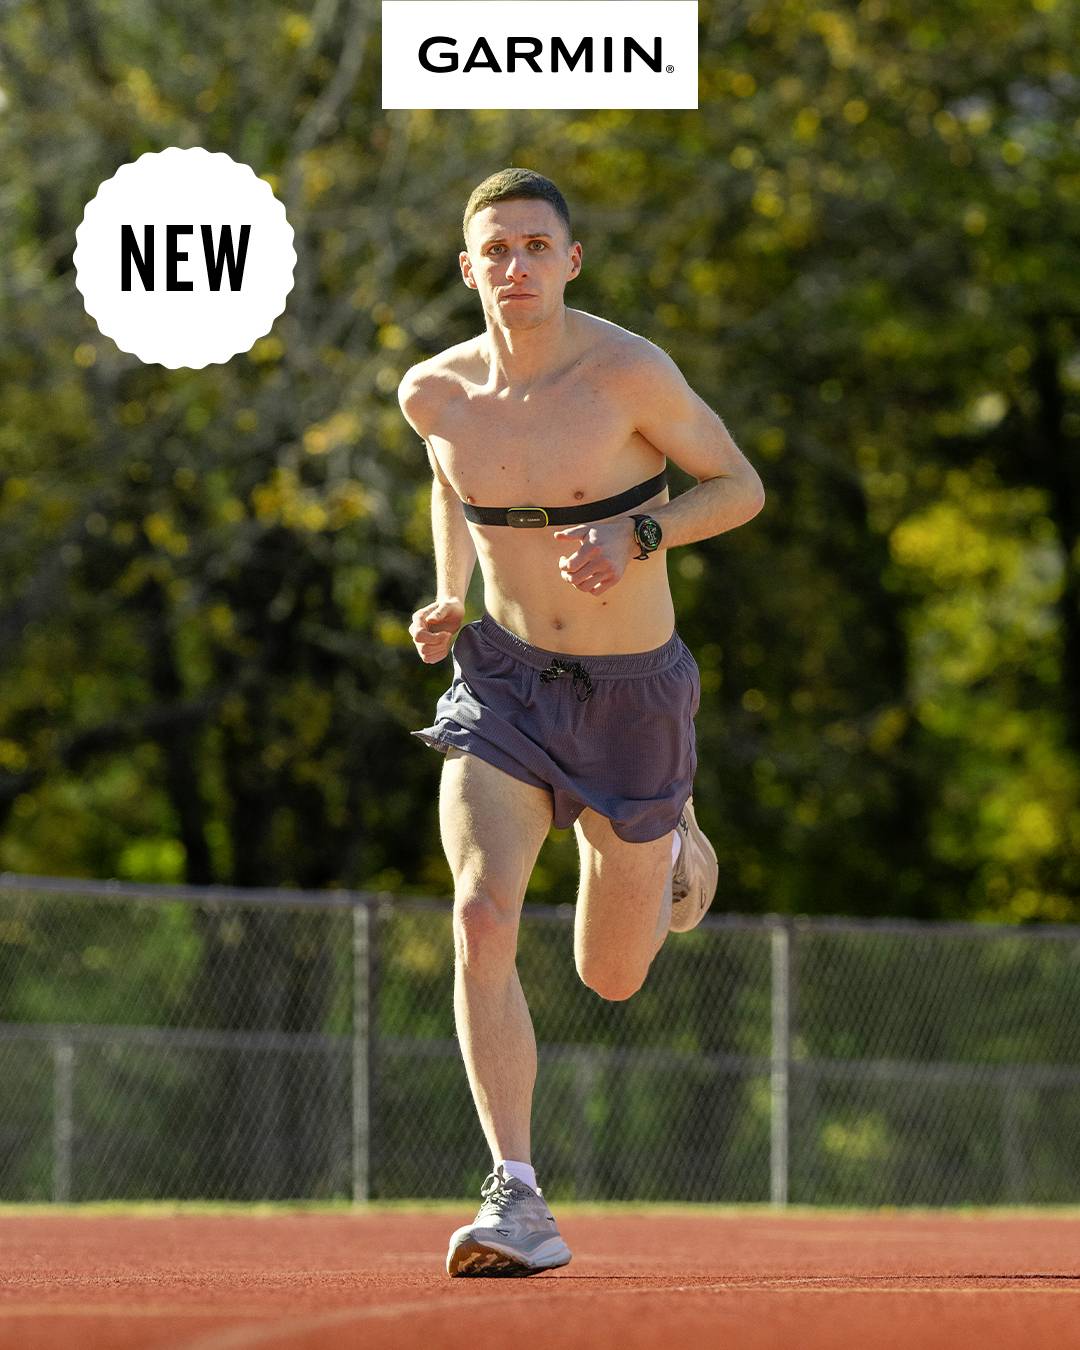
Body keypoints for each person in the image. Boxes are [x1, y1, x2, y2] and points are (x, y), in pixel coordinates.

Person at [398, 168, 765, 1278]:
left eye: (534, 247)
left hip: (633, 696)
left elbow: (739, 485)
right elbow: (451, 489)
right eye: (494, 251)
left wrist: (640, 539)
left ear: (571, 260)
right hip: (503, 682)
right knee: (477, 913)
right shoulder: (434, 393)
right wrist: (450, 592)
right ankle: (516, 1196)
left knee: (612, 974)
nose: (515, 267)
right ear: (468, 270)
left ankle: (674, 845)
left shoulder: (626, 375)